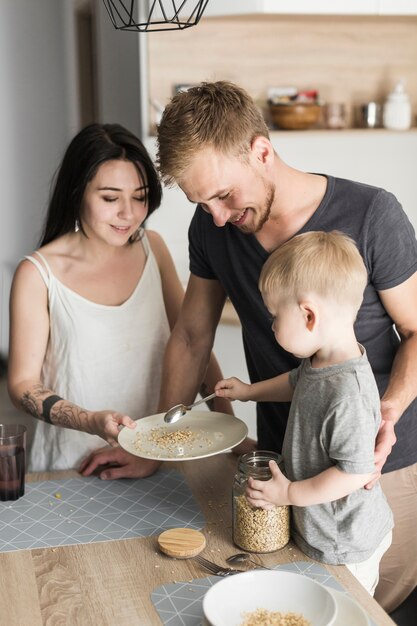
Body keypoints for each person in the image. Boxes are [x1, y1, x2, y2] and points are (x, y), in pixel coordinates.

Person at [155, 80, 417, 612]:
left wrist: (386, 412)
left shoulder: (372, 215)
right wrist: (160, 443)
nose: (219, 217)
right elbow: (189, 335)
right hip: (285, 469)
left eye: (224, 195)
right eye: (200, 203)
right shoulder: (211, 229)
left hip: (381, 469)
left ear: (262, 151)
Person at [7, 122, 232, 475]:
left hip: (154, 457)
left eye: (140, 197)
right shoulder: (37, 274)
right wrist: (90, 420)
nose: (128, 213)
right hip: (71, 465)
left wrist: (226, 428)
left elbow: (191, 339)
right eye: (110, 198)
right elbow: (21, 385)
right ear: (78, 192)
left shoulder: (152, 248)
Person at [215, 230, 393, 595]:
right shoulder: (323, 361)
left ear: (308, 315)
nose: (272, 326)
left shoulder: (349, 394)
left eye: (275, 317)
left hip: (344, 544)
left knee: (345, 614)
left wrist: (289, 494)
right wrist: (250, 392)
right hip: (319, 527)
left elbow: (355, 473)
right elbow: (298, 382)